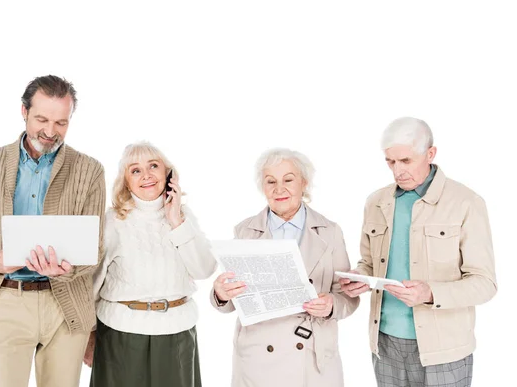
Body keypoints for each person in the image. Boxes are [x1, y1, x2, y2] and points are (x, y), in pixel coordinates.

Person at [0, 75, 106, 387]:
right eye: (42, 119)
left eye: (61, 122)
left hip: (65, 307)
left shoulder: (90, 170)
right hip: (7, 300)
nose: (50, 132)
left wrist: (69, 269)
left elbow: (95, 249)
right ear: (24, 112)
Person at [340, 117, 497, 387]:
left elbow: (485, 284)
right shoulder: (376, 202)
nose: (397, 171)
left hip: (443, 351)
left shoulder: (466, 202)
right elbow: (369, 263)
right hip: (385, 344)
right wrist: (360, 278)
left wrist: (429, 293)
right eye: (390, 162)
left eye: (406, 161)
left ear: (430, 153)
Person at [211, 148, 359, 387]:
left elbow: (347, 296)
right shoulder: (244, 230)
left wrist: (331, 305)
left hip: (312, 357)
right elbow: (232, 299)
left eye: (288, 179)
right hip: (258, 358)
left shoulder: (330, 231)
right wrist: (220, 293)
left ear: (304, 183)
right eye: (271, 181)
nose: (279, 189)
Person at [86, 142, 216, 387]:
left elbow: (204, 269)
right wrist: (88, 335)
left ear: (168, 174)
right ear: (126, 181)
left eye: (153, 166)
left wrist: (176, 220)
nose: (146, 175)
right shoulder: (113, 221)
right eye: (135, 170)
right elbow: (91, 283)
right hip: (121, 335)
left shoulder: (183, 216)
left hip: (176, 335)